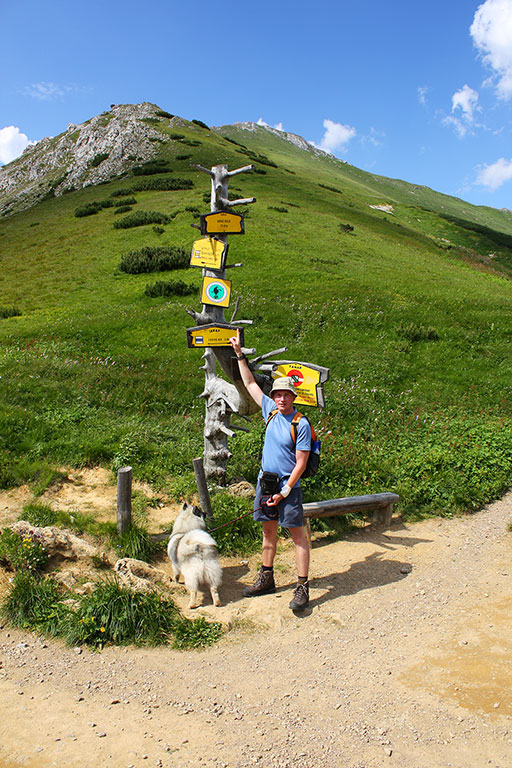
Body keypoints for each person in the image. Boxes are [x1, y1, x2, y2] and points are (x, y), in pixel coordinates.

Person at [229, 330, 311, 612]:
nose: (281, 399)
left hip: (289, 487)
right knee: (268, 532)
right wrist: (240, 355)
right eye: (277, 394)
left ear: (293, 397)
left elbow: (301, 463)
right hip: (266, 483)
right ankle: (267, 577)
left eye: (286, 395)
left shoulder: (301, 424)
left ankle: (302, 586)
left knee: (298, 535)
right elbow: (250, 382)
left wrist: (285, 491)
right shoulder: (270, 411)